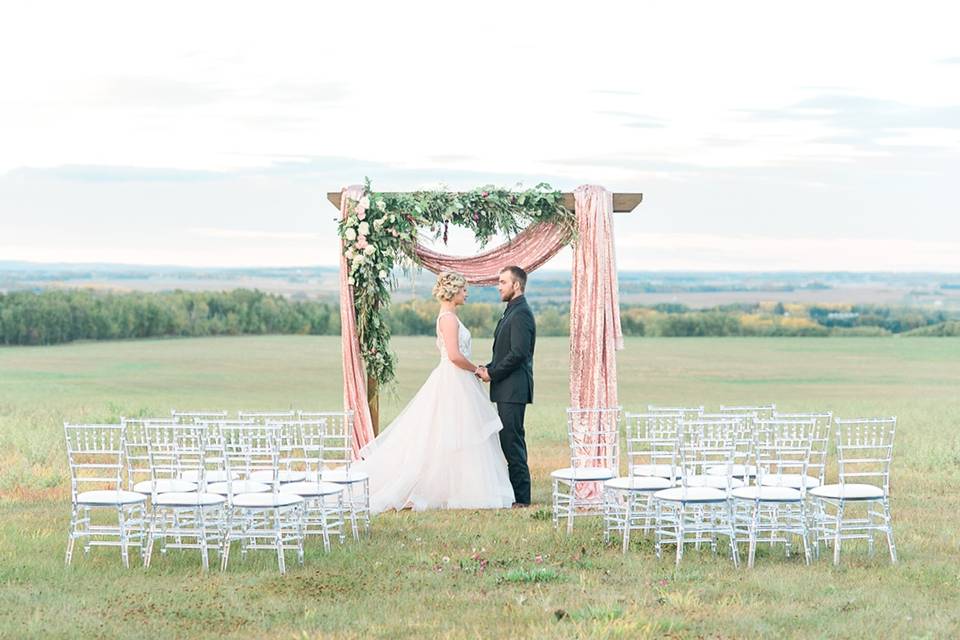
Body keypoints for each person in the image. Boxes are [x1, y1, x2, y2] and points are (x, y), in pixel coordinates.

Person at [354, 271, 514, 513]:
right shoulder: (448, 319)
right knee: (449, 432)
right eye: (463, 289)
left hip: (457, 380)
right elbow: (454, 356)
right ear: (452, 292)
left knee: (459, 434)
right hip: (454, 380)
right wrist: (477, 369)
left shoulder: (449, 317)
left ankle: (456, 487)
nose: (466, 293)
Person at [476, 266, 535, 507]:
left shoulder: (521, 313)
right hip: (507, 388)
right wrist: (486, 367)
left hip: (514, 390)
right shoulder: (511, 310)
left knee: (512, 442)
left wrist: (493, 373)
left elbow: (518, 354)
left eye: (502, 282)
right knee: (507, 441)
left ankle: (521, 499)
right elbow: (504, 353)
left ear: (516, 285)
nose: (498, 286)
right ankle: (513, 494)